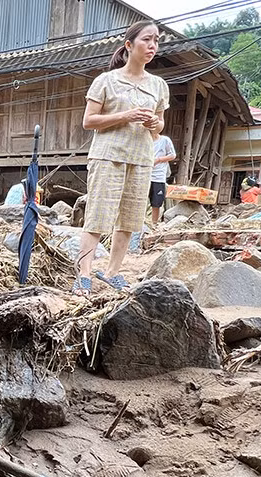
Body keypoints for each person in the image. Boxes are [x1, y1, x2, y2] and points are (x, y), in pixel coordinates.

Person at [73, 20, 169, 295]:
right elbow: (89, 121)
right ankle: (84, 274)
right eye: (147, 40)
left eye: (156, 41)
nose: (152, 46)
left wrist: (153, 123)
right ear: (129, 45)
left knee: (129, 220)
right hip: (108, 156)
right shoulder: (106, 80)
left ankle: (113, 272)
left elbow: (160, 126)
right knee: (98, 216)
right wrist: (125, 116)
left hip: (141, 158)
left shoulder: (159, 85)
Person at [149, 132, 175, 225]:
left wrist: (159, 159)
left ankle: (154, 224)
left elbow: (172, 155)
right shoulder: (145, 140)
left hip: (158, 176)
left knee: (156, 203)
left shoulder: (165, 140)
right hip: (145, 174)